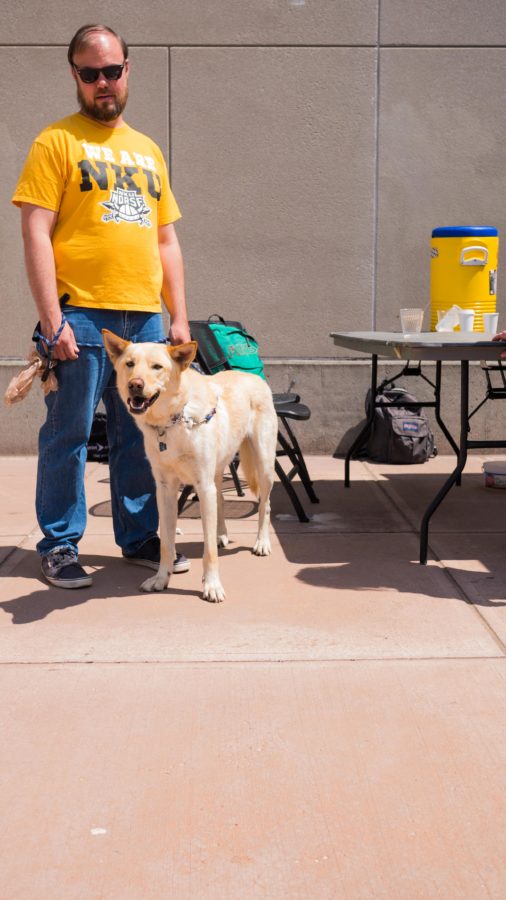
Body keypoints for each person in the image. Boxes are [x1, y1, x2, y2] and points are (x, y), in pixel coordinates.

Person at [12, 24, 191, 589]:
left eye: (112, 70)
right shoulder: (55, 142)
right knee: (67, 435)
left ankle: (139, 537)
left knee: (140, 433)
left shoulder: (148, 149)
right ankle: (60, 544)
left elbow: (166, 240)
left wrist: (179, 316)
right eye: (90, 74)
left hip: (145, 318)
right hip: (82, 315)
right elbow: (35, 232)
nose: (103, 83)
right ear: (75, 77)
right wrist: (52, 319)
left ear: (127, 70)